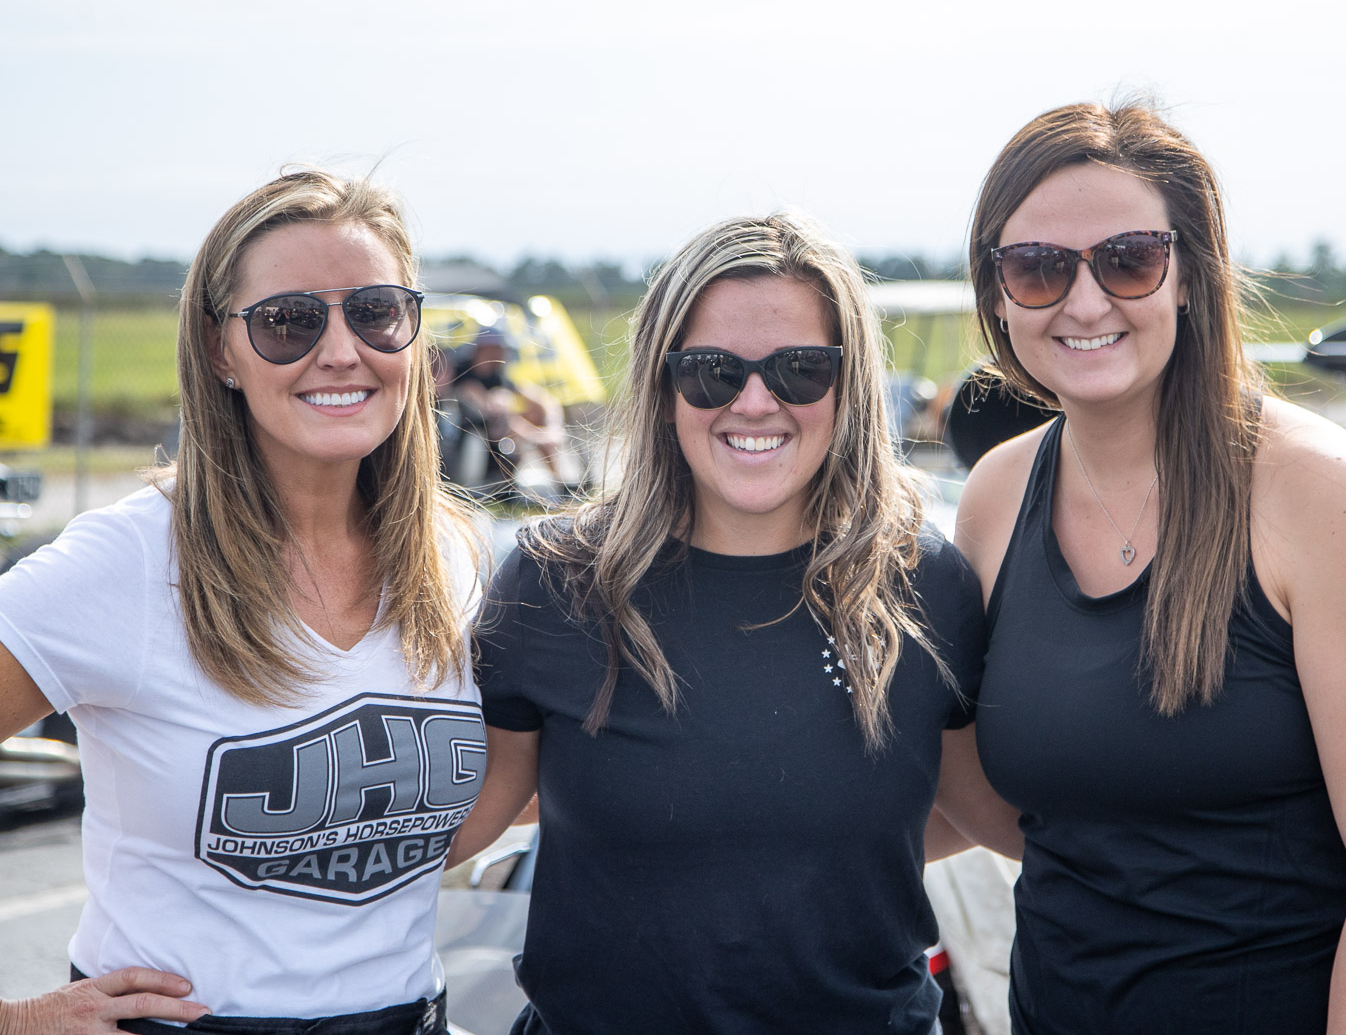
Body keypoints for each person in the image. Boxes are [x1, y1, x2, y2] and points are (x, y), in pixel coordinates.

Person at [932, 101, 1346, 1033]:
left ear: (1188, 275)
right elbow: (1016, 808)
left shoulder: (1322, 494)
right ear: (998, 293)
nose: (1085, 301)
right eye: (1038, 267)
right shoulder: (996, 497)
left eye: (1127, 259)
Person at [451, 210, 986, 1034]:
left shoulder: (923, 584)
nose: (756, 401)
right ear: (662, 386)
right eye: (711, 372)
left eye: (801, 369)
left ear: (848, 385)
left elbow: (1001, 814)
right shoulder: (556, 584)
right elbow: (450, 829)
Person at [0, 169, 484, 1033]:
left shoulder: (455, 556)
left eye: (375, 311)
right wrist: (17, 1018)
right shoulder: (128, 562)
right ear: (220, 350)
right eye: (288, 321)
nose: (341, 351)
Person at [440, 319, 567, 489]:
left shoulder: (498, 376)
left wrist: (552, 425)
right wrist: (536, 436)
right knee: (502, 410)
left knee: (531, 413)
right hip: (473, 434)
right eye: (499, 348)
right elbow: (489, 410)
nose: (503, 353)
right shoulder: (464, 374)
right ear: (485, 348)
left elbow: (541, 400)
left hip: (497, 433)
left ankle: (558, 483)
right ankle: (557, 483)